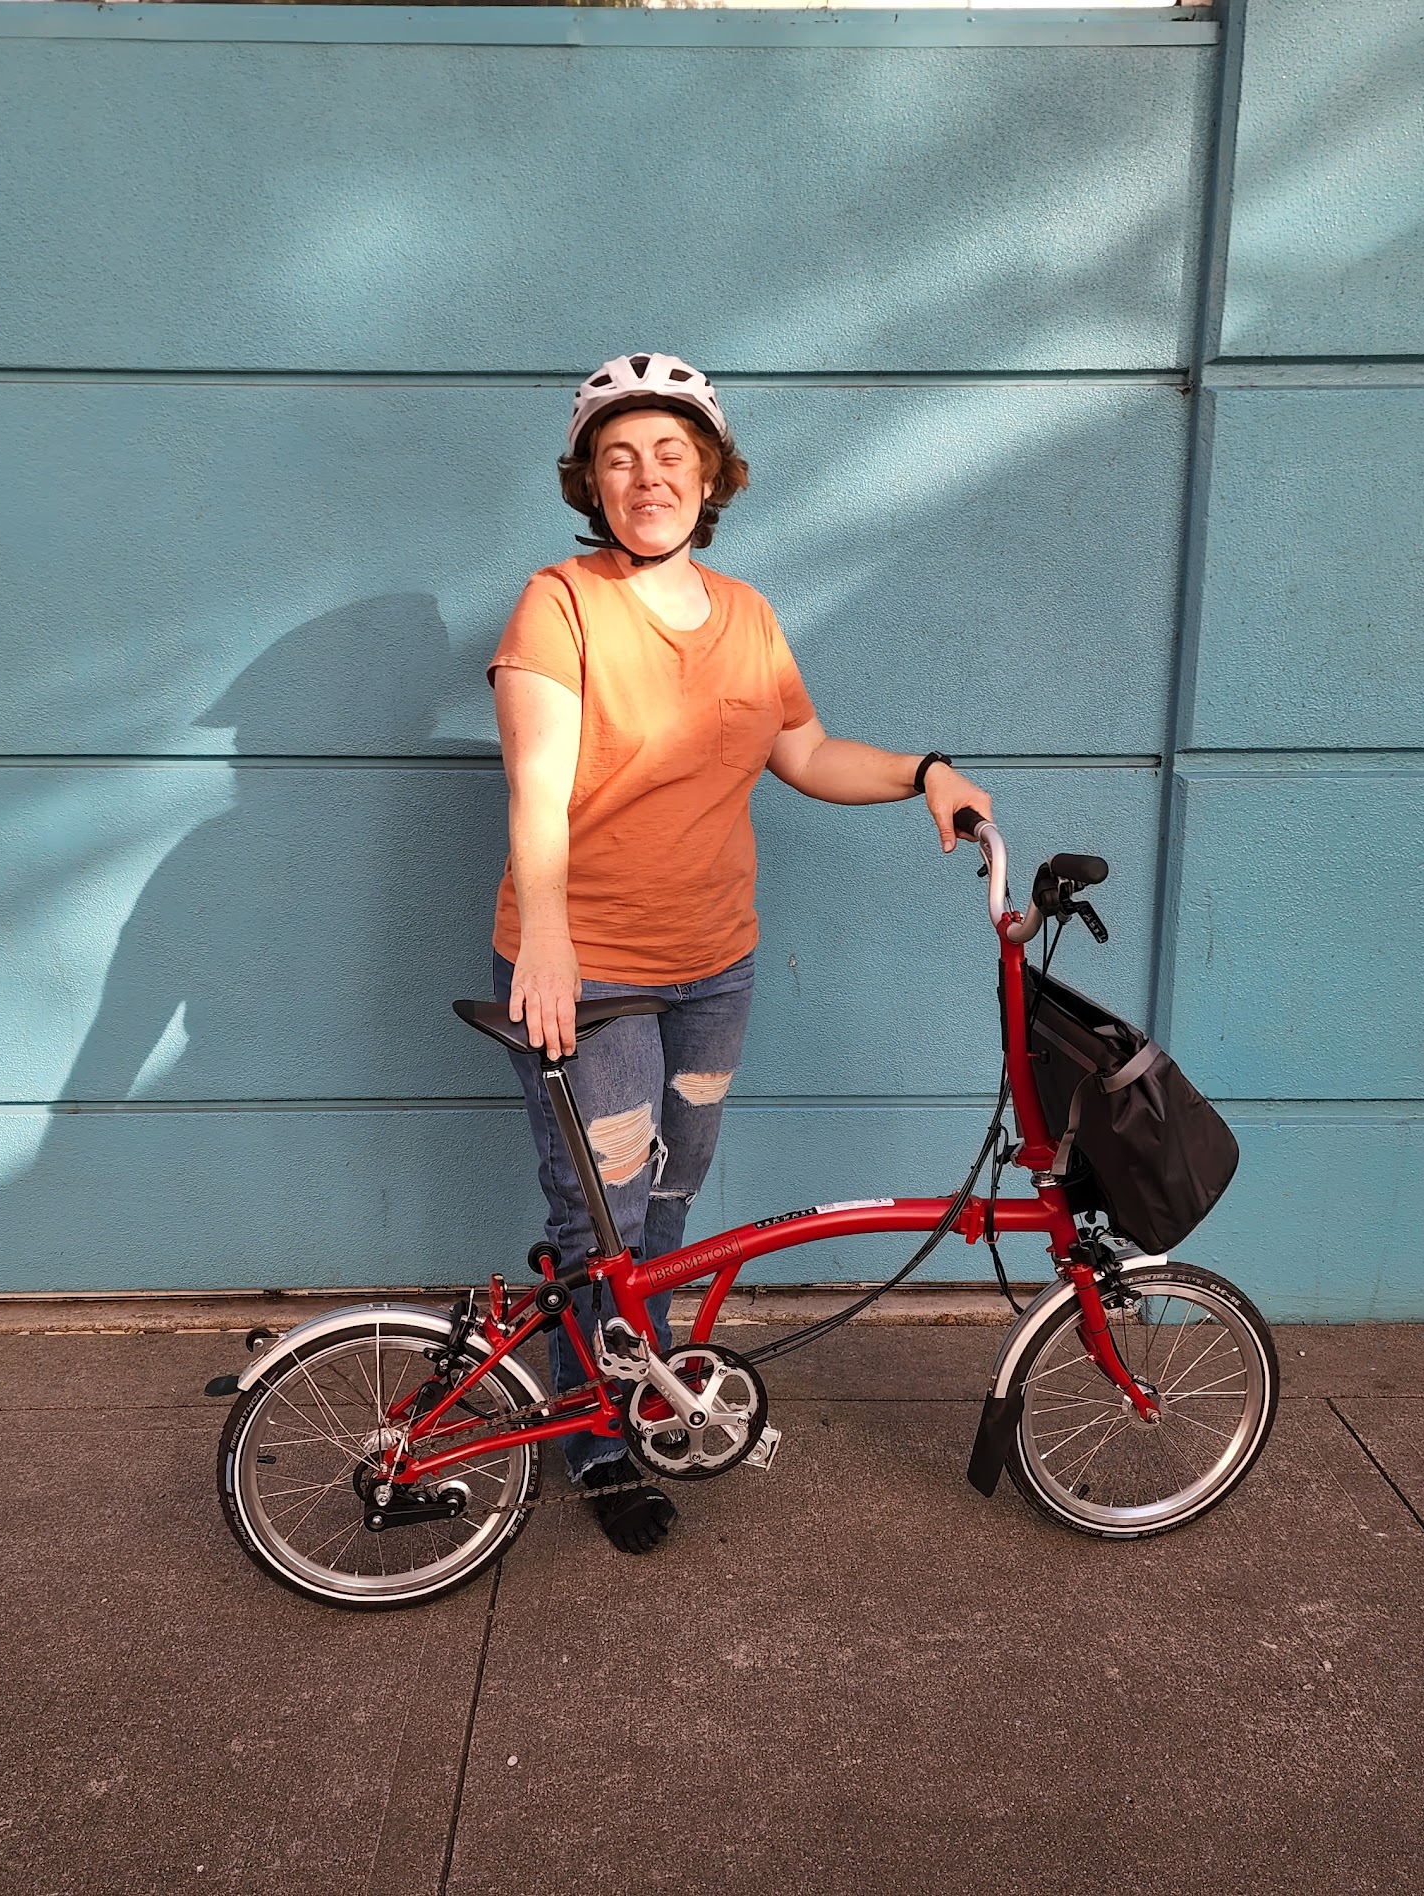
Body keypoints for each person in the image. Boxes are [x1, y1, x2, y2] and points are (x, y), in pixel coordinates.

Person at [488, 351, 993, 1554]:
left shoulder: (750, 617)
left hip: (713, 966)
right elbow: (536, 787)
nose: (645, 476)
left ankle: (635, 1393)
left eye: (669, 453)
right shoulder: (558, 602)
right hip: (590, 971)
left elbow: (806, 755)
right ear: (590, 484)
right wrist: (547, 940)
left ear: (708, 474)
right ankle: (602, 1445)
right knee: (600, 1211)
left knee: (666, 1201)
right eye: (618, 458)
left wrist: (923, 773)